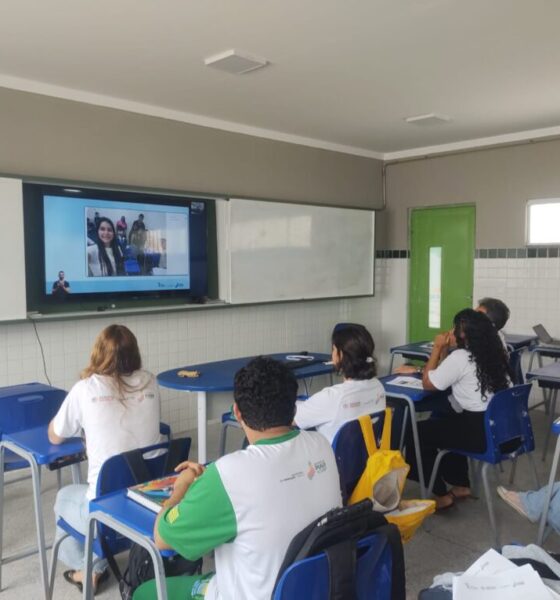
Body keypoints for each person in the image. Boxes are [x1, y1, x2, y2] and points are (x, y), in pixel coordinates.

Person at [133, 356, 342, 600]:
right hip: (319, 588)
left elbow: (162, 538)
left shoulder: (229, 474)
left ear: (237, 413)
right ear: (294, 408)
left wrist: (181, 486)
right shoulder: (322, 445)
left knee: (145, 593)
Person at [48, 325, 162, 594]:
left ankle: (88, 570)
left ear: (98, 353)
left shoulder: (85, 389)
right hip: (149, 502)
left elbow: (54, 436)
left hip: (106, 512)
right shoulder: (151, 382)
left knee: (63, 499)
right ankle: (94, 566)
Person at [396, 309, 512, 510]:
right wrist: (444, 352)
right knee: (448, 422)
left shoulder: (461, 357)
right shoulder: (494, 354)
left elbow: (428, 384)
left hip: (480, 434)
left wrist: (436, 348)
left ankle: (439, 493)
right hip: (503, 431)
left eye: (455, 328)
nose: (451, 331)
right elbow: (445, 372)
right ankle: (460, 485)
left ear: (463, 334)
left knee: (415, 433)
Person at [294, 323, 386, 444]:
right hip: (367, 455)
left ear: (340, 355)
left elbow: (289, 418)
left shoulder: (333, 397)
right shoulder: (378, 387)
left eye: (333, 349)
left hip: (329, 455)